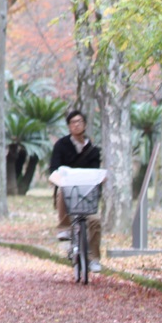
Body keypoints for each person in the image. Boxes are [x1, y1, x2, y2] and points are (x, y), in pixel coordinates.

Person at [49, 109, 103, 273]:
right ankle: (64, 229)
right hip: (68, 189)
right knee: (62, 192)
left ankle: (94, 258)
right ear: (69, 126)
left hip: (87, 193)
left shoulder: (93, 150)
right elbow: (54, 168)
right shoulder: (61, 145)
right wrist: (59, 177)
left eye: (80, 121)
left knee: (95, 221)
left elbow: (95, 172)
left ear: (85, 125)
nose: (77, 125)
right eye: (73, 122)